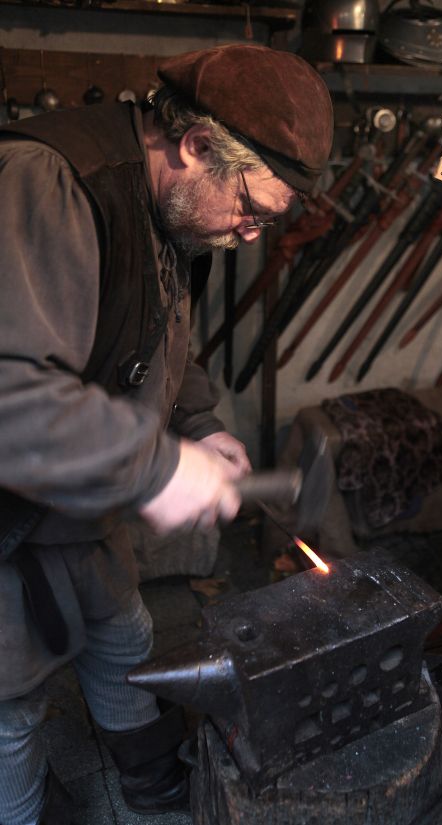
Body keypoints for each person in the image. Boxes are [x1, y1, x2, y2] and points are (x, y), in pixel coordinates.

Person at [0, 43, 333, 824]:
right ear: (196, 145)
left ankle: (148, 773)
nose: (252, 235)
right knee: (12, 705)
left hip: (81, 505)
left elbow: (159, 336)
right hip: (9, 516)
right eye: (251, 210)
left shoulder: (173, 211)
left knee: (123, 634)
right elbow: (10, 393)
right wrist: (154, 466)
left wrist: (198, 426)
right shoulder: (50, 184)